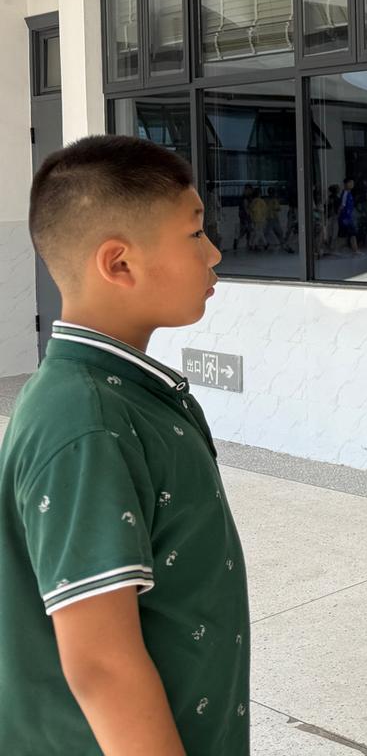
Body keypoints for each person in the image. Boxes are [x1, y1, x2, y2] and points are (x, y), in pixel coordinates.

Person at [0, 135, 246, 753]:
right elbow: (102, 666)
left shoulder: (120, 395)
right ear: (119, 264)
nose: (213, 252)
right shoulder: (85, 422)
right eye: (195, 233)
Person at [339, 178, 360, 256]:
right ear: (346, 184)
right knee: (349, 234)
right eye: (350, 183)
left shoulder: (349, 193)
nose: (352, 185)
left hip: (349, 217)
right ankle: (355, 250)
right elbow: (342, 206)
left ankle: (355, 250)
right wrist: (340, 216)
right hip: (345, 217)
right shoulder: (345, 193)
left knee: (352, 234)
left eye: (352, 183)